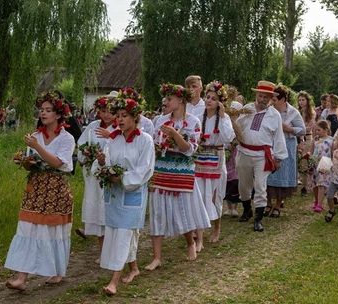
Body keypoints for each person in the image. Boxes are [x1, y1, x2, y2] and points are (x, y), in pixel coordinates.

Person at [4, 92, 76, 290]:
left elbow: (57, 162)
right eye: (41, 110)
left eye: (48, 110)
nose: (43, 113)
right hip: (35, 187)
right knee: (27, 228)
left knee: (52, 231)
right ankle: (21, 277)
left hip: (55, 188)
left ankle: (56, 271)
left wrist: (38, 148)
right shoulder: (35, 136)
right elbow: (33, 162)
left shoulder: (67, 139)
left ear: (58, 114)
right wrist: (25, 162)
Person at [146, 83, 211, 270]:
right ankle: (157, 257)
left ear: (181, 100)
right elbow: (155, 145)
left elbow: (189, 149)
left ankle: (190, 243)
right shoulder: (160, 120)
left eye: (170, 98)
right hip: (161, 168)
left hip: (181, 170)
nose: (166, 101)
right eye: (165, 98)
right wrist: (160, 145)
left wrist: (174, 134)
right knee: (157, 211)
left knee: (183, 211)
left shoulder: (193, 122)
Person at [96, 96, 155, 296]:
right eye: (118, 116)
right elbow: (106, 164)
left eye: (124, 116)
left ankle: (113, 282)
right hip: (114, 196)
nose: (119, 120)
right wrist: (103, 163)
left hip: (132, 194)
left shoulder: (145, 140)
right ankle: (134, 268)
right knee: (117, 233)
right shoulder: (113, 139)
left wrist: (121, 179)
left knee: (124, 235)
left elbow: (145, 169)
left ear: (135, 117)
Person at [234, 80, 287, 232]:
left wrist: (278, 157)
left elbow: (278, 136)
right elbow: (236, 127)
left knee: (260, 186)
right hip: (244, 152)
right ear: (256, 94)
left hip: (262, 155)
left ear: (271, 98)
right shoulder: (247, 109)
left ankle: (258, 219)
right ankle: (247, 210)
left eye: (266, 97)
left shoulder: (274, 115)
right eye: (260, 96)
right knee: (243, 186)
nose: (263, 99)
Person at [75, 95, 118, 260]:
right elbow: (81, 145)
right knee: (98, 213)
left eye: (110, 111)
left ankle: (114, 251)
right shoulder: (92, 127)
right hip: (94, 178)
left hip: (111, 177)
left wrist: (110, 138)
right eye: (102, 111)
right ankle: (102, 252)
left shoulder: (118, 128)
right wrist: (86, 152)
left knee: (109, 210)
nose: (106, 115)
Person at [194, 81, 235, 243]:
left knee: (215, 194)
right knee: (200, 193)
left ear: (220, 102)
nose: (209, 100)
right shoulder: (198, 117)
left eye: (213, 98)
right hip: (200, 158)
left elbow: (227, 138)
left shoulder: (223, 118)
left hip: (216, 158)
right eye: (207, 97)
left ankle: (216, 227)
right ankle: (200, 231)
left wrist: (224, 116)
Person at [265, 85, 305, 216]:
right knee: (269, 173)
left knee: (283, 174)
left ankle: (278, 205)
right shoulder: (269, 110)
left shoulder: (293, 112)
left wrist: (290, 129)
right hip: (271, 144)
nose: (272, 101)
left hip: (287, 145)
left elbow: (303, 130)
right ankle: (268, 203)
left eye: (275, 99)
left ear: (283, 99)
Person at [224, 101, 244, 217]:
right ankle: (228, 207)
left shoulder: (240, 123)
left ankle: (235, 207)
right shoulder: (225, 121)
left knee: (235, 180)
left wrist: (235, 143)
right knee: (227, 179)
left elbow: (241, 137)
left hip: (236, 153)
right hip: (227, 153)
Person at [310, 120, 333, 212]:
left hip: (325, 162)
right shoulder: (315, 140)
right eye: (315, 130)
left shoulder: (331, 140)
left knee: (322, 184)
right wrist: (309, 160)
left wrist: (333, 163)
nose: (316, 132)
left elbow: (333, 152)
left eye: (318, 130)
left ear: (326, 129)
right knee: (315, 184)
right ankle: (316, 201)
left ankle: (320, 204)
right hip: (315, 162)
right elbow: (311, 151)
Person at [297, 91, 316, 196]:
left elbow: (309, 127)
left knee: (306, 162)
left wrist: (299, 129)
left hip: (308, 139)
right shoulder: (297, 112)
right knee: (300, 164)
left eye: (303, 100)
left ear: (307, 101)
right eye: (299, 100)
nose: (301, 102)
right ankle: (303, 185)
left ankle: (307, 186)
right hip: (298, 139)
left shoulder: (312, 112)